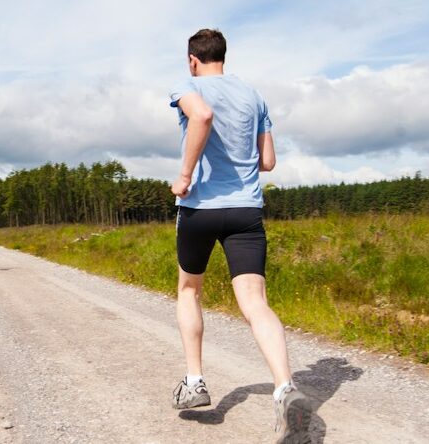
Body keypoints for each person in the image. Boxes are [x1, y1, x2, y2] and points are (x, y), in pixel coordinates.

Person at [166, 28, 297, 437]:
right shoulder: (253, 95)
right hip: (245, 210)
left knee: (190, 290)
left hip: (200, 208)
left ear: (193, 59)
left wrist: (185, 175)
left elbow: (201, 115)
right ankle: (284, 388)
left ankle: (194, 382)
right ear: (224, 56)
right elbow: (268, 160)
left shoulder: (186, 85)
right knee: (255, 303)